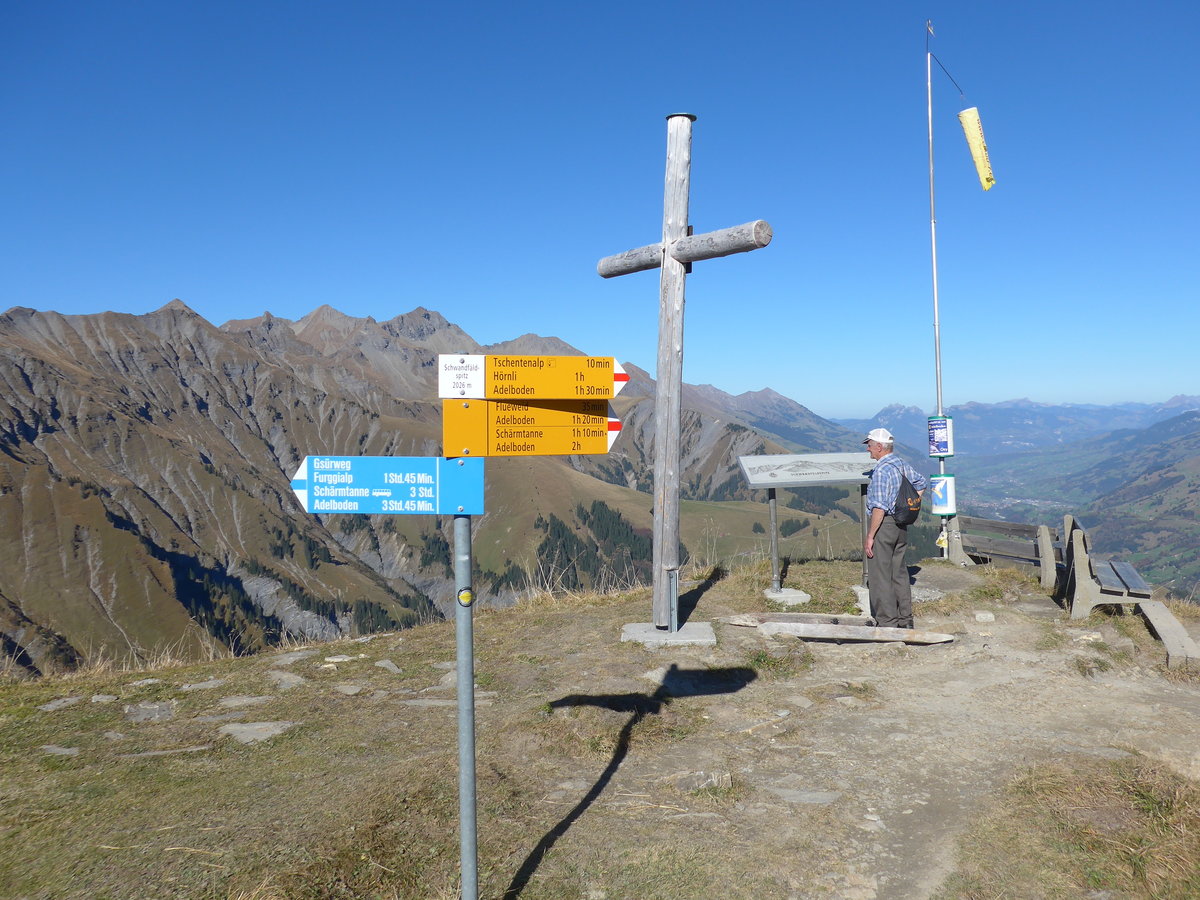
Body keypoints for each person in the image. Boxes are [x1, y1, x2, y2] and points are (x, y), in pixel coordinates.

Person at [862, 428, 928, 629]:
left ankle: (887, 623)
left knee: (880, 575)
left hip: (885, 526)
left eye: (870, 445)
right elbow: (921, 482)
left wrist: (871, 536)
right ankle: (905, 620)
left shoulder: (882, 471)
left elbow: (879, 508)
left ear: (880, 447)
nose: (868, 449)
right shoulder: (899, 463)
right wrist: (907, 507)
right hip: (900, 525)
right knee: (899, 572)